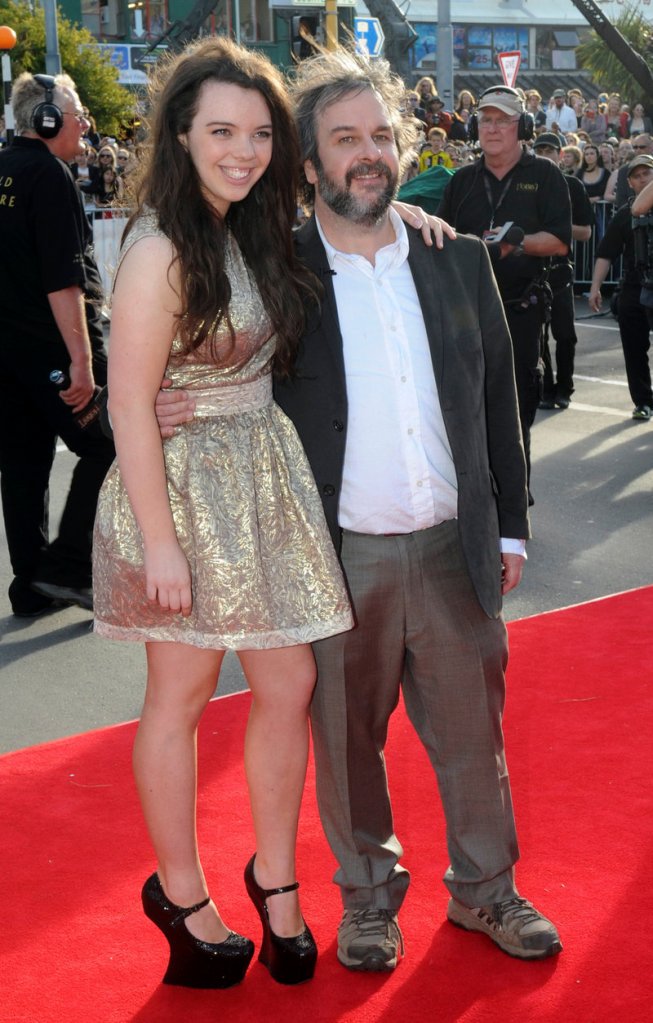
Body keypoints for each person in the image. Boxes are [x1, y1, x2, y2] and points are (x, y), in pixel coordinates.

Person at [156, 49, 562, 971]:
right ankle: (368, 903)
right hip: (336, 554)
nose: (368, 154)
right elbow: (199, 361)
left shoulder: (452, 256)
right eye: (345, 140)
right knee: (344, 747)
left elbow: (499, 398)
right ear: (307, 165)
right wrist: (164, 403)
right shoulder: (275, 272)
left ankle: (486, 894)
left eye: (381, 134)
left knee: (472, 738)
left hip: (451, 542)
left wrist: (507, 525)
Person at [92, 37, 355, 989]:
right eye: (220, 131)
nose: (241, 149)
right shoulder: (161, 245)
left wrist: (413, 214)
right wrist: (159, 543)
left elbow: (354, 214)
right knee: (182, 697)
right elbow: (127, 401)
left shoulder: (251, 227)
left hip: (260, 478)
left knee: (286, 683)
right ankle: (182, 892)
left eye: (256, 132)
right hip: (184, 493)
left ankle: (275, 878)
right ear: (180, 134)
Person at [0, 72, 115, 617]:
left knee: (22, 462)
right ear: (47, 120)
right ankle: (67, 568)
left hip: (7, 354)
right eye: (77, 115)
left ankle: (31, 586)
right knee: (108, 445)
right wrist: (82, 361)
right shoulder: (48, 174)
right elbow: (62, 279)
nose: (85, 125)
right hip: (51, 349)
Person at [438, 85, 571, 492]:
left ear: (522, 126)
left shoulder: (545, 175)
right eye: (486, 120)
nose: (492, 129)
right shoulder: (461, 181)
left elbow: (562, 241)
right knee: (468, 408)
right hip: (467, 312)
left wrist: (520, 241)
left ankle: (515, 497)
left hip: (520, 309)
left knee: (516, 406)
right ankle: (478, 494)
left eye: (503, 120)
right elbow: (440, 238)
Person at [588, 154, 653, 421]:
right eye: (637, 176)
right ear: (629, 182)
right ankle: (643, 402)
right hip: (634, 288)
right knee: (634, 349)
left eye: (647, 174)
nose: (642, 179)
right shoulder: (625, 214)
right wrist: (594, 288)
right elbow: (606, 254)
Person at [532, 133, 593, 409]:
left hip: (559, 270)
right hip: (531, 270)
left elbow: (586, 233)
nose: (544, 154)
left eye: (550, 150)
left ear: (561, 155)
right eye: (539, 149)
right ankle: (546, 388)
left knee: (565, 334)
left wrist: (555, 230)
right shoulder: (525, 186)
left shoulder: (573, 186)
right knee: (537, 335)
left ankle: (565, 387)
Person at [614, 133, 653, 208]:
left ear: (651, 148)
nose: (638, 150)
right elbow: (621, 199)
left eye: (642, 147)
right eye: (635, 147)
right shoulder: (624, 170)